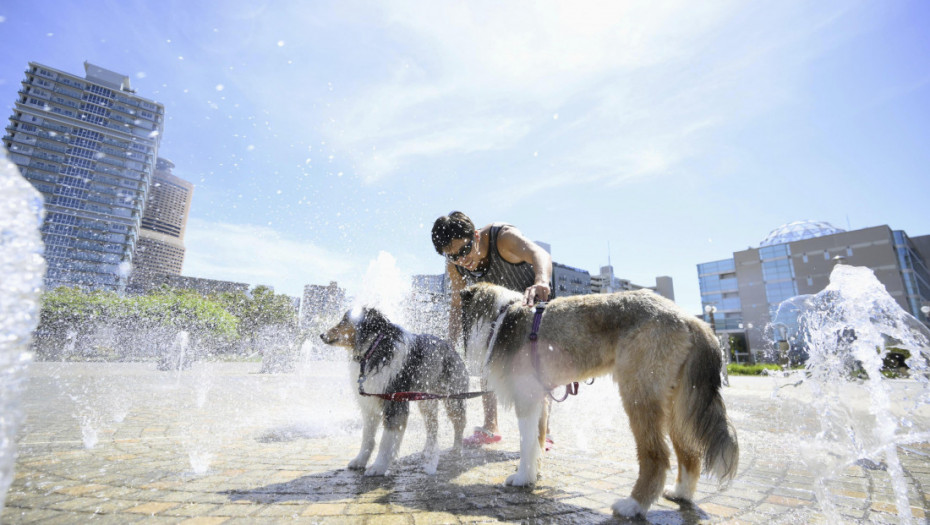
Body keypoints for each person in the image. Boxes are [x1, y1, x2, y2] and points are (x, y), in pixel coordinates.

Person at [431, 211, 553, 447]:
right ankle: (490, 427)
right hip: (497, 307)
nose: (461, 260)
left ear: (476, 235)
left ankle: (543, 431)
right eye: (453, 256)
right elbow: (457, 306)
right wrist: (450, 342)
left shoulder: (503, 237)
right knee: (483, 355)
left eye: (464, 251)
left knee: (535, 365)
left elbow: (540, 253)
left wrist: (541, 282)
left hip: (530, 297)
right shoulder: (455, 263)